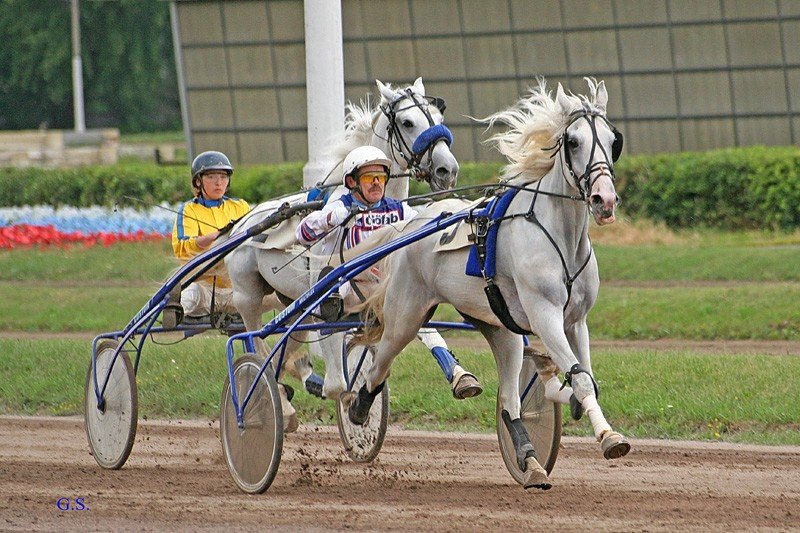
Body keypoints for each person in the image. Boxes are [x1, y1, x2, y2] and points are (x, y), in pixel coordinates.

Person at [296, 146, 483, 399]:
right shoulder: (339, 206)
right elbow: (302, 234)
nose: (376, 183)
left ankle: (454, 371)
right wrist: (330, 219)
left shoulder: (398, 209)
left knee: (415, 302)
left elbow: (423, 227)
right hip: (350, 293)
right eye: (368, 178)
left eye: (381, 178)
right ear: (352, 182)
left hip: (388, 289)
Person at [168, 150, 250, 325]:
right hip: (204, 288)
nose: (219, 182)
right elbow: (182, 247)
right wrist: (215, 237)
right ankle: (174, 307)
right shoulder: (189, 210)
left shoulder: (240, 206)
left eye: (223, 177)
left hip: (237, 290)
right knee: (191, 293)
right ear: (198, 181)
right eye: (211, 177)